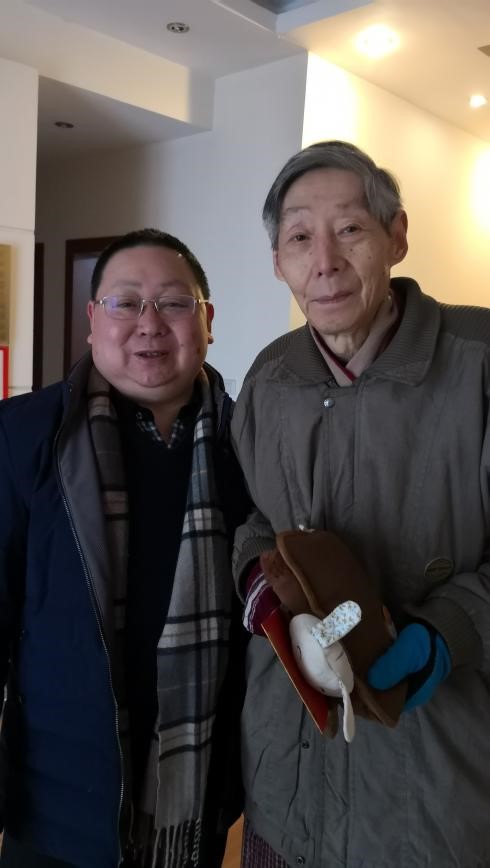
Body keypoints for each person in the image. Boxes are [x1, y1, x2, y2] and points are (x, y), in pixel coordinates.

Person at [231, 141, 490, 867]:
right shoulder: (269, 378)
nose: (325, 261)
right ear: (278, 262)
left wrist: (452, 629)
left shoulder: (477, 363)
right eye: (299, 238)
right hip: (288, 779)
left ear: (396, 236)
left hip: (440, 796)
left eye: (350, 229)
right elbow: (253, 518)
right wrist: (263, 584)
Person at [0, 229, 249, 868]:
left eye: (174, 303)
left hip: (199, 796)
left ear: (208, 320)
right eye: (125, 302)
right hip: (55, 800)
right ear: (92, 320)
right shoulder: (24, 435)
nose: (149, 324)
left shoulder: (249, 444)